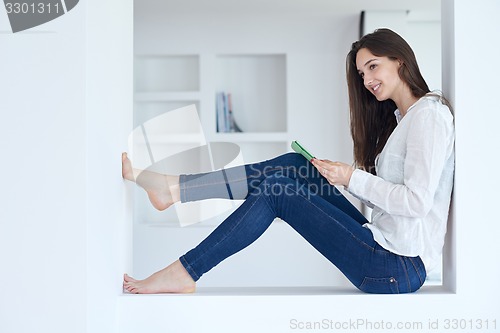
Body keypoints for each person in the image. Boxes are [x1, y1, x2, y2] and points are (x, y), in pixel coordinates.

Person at [122, 28, 455, 294]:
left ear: (399, 60)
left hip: (397, 265)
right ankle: (175, 188)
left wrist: (352, 177)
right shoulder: (404, 120)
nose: (367, 81)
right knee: (296, 165)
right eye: (361, 73)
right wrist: (337, 177)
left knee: (276, 190)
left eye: (373, 67)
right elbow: (391, 201)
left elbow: (417, 202)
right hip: (383, 246)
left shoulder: (429, 116)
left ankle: (184, 271)